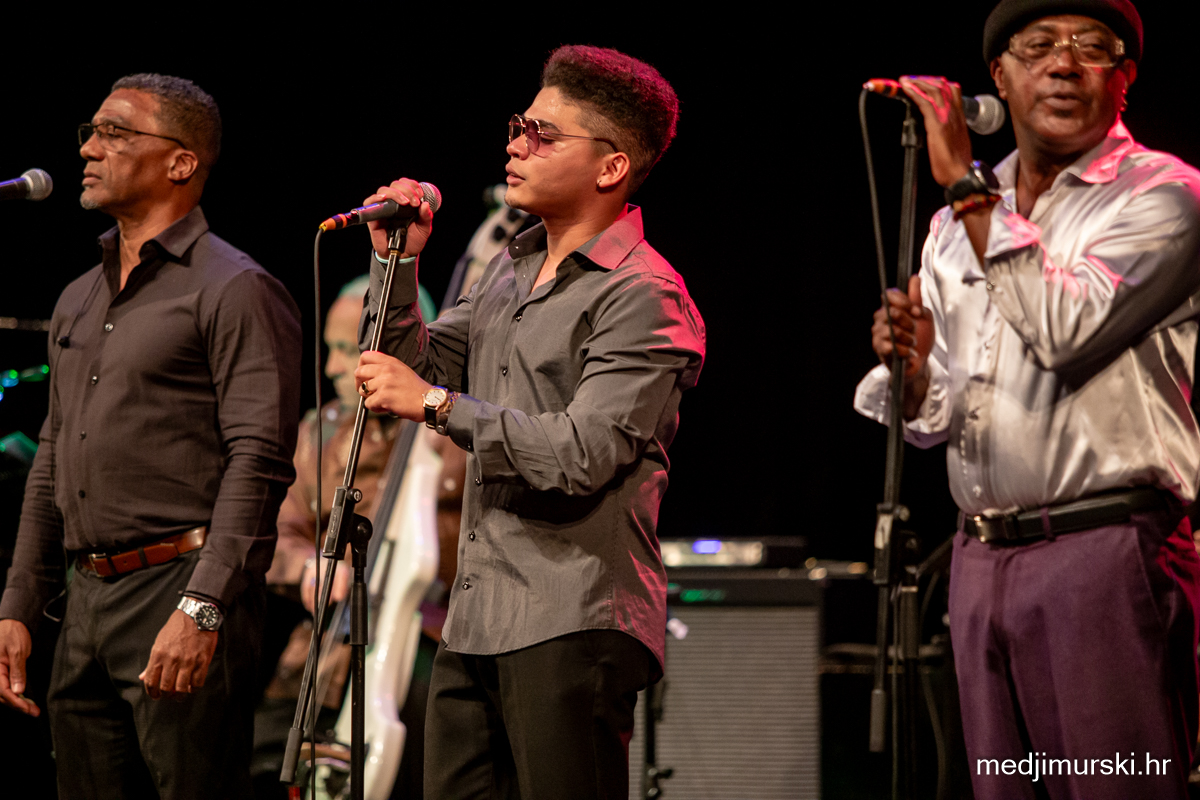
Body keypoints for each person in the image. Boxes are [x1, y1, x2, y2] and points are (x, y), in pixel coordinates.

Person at [855, 1, 1200, 797]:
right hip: (981, 561)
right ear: (1000, 79)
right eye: (1038, 46)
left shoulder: (1164, 195)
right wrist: (914, 374)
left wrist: (964, 185)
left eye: (1091, 48)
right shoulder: (953, 226)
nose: (1064, 64)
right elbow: (940, 411)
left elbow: (1065, 330)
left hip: (1103, 552)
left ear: (1124, 78)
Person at [353, 45, 705, 799]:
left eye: (542, 134)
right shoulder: (509, 270)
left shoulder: (644, 294)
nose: (515, 145)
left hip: (573, 613)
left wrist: (437, 405)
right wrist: (397, 265)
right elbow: (411, 363)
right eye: (518, 126)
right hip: (477, 617)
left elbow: (582, 453)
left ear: (611, 167)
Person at [0, 74, 301, 799]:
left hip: (180, 587)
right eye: (91, 133)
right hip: (85, 599)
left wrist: (203, 607)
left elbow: (259, 462)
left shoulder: (234, 288)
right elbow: (53, 455)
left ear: (180, 162)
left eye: (115, 133)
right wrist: (18, 601)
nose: (89, 149)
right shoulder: (78, 296)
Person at [251, 276, 449, 800]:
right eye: (331, 349)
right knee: (268, 759)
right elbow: (277, 534)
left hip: (425, 640)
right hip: (326, 648)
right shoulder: (319, 432)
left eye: (347, 350)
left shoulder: (450, 434)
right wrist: (310, 565)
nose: (332, 368)